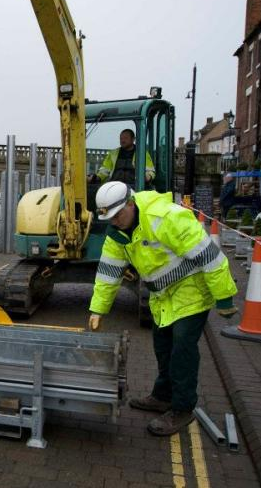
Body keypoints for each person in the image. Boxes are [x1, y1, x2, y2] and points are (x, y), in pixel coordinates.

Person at [87, 181, 238, 436]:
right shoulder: (117, 234)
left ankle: (182, 408)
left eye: (117, 216)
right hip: (163, 296)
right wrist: (98, 310)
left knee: (182, 349)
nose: (114, 222)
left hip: (192, 291)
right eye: (109, 218)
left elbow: (209, 257)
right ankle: (163, 396)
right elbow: (109, 272)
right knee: (162, 345)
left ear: (131, 204)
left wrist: (224, 299)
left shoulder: (166, 217)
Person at [89, 128, 155, 187]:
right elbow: (104, 171)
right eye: (121, 138)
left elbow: (150, 171)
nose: (122, 140)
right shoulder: (113, 153)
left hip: (134, 188)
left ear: (133, 139)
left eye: (126, 138)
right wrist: (95, 178)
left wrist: (147, 177)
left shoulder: (142, 153)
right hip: (115, 188)